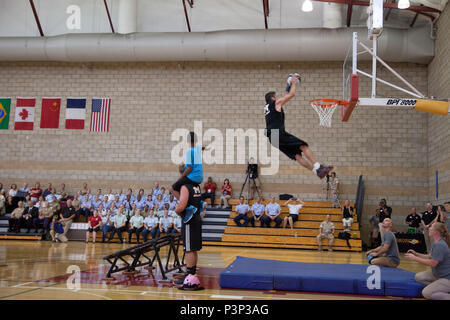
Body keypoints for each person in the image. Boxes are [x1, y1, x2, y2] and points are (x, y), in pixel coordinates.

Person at [264, 77, 333, 179]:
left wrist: (288, 86)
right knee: (303, 146)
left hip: (272, 138)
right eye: (276, 96)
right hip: (278, 133)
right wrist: (294, 83)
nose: (278, 98)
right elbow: (291, 95)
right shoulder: (275, 104)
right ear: (273, 98)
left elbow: (286, 95)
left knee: (297, 156)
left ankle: (316, 172)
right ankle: (319, 167)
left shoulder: (268, 108)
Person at [405, 222, 450, 300]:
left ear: (436, 231)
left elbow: (433, 263)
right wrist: (416, 254)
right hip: (438, 275)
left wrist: (415, 258)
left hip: (447, 278)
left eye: (431, 227)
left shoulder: (440, 245)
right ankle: (440, 287)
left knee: (426, 293)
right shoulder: (435, 243)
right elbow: (429, 257)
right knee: (418, 277)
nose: (428, 228)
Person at [173, 182, 203, 290]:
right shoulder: (196, 186)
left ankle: (188, 276)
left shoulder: (185, 186)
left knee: (189, 250)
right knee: (193, 249)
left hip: (189, 221)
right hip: (196, 219)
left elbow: (182, 205)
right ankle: (191, 275)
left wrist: (176, 211)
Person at [170, 132, 204, 202]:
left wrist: (181, 177)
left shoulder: (189, 151)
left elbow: (189, 168)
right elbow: (203, 148)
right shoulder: (197, 149)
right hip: (200, 177)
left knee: (172, 188)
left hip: (192, 177)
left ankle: (185, 204)